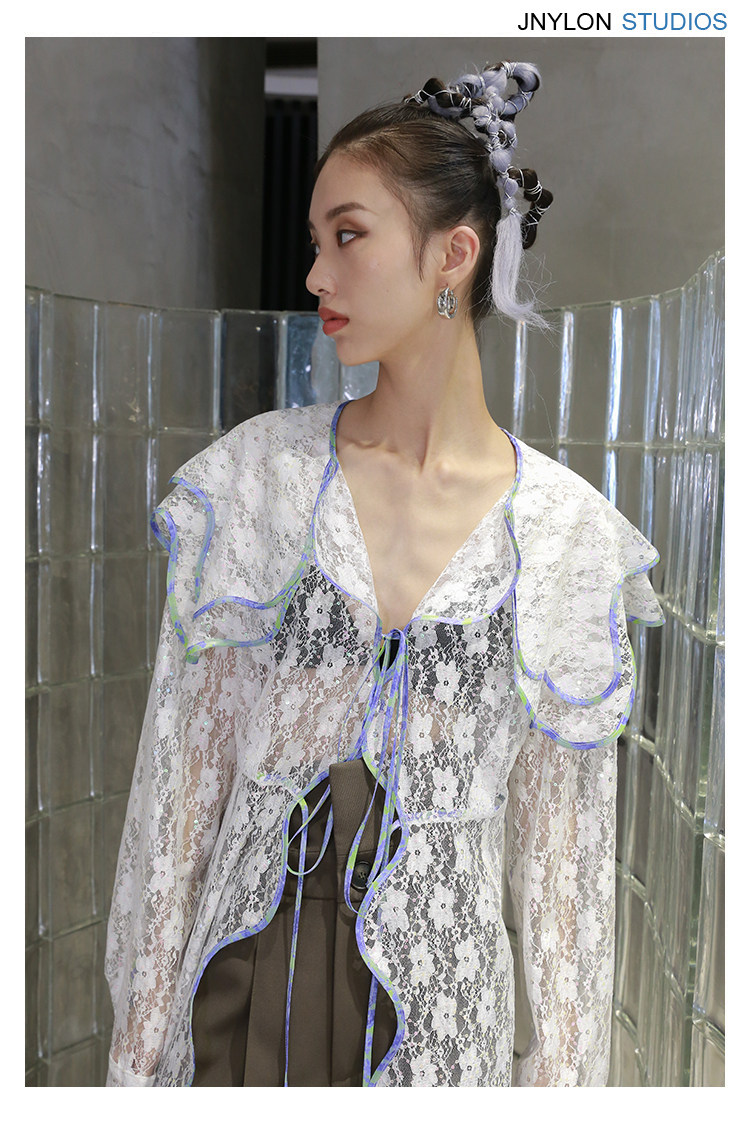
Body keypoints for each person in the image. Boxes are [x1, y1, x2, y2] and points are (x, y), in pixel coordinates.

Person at [104, 61, 664, 1088]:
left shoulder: (566, 538)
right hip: (243, 999)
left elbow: (565, 877)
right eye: (315, 242)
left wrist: (563, 1086)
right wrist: (135, 1065)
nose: (316, 275)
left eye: (348, 236)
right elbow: (177, 799)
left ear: (454, 254)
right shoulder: (258, 482)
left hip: (442, 1028)